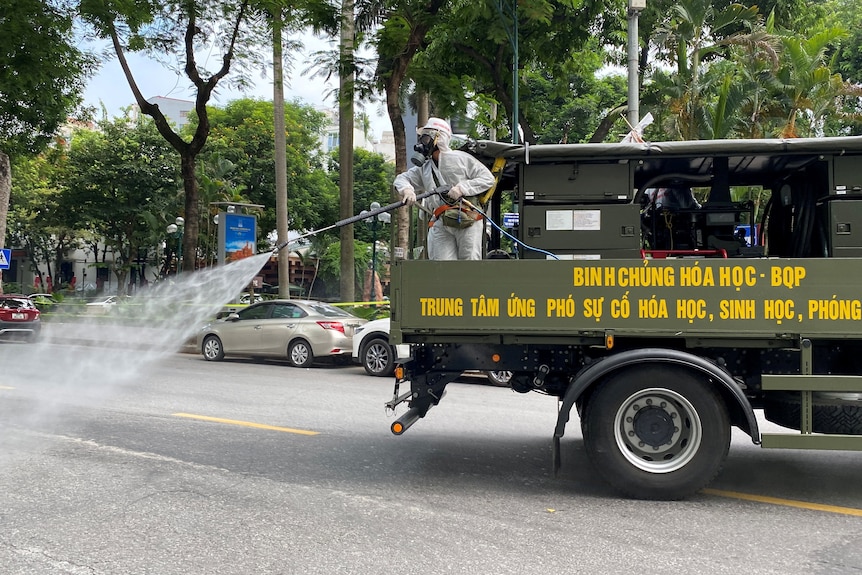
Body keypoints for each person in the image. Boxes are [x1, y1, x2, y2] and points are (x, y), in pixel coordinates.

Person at [394, 118, 495, 260]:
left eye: (426, 137)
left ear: (438, 138)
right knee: (440, 267)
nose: (422, 142)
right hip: (441, 220)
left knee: (469, 265)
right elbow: (402, 178)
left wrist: (462, 188)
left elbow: (488, 179)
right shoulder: (425, 168)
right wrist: (407, 190)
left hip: (467, 218)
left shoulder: (462, 159)